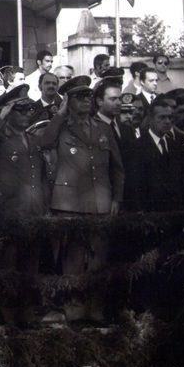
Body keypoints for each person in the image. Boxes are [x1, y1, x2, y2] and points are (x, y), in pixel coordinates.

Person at [39, 76, 124, 322]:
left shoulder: (103, 127)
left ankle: (95, 309)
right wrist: (60, 113)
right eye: (79, 97)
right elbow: (44, 142)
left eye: (88, 96)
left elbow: (117, 168)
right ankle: (74, 309)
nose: (86, 100)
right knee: (73, 260)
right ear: (68, 100)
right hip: (70, 204)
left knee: (99, 259)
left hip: (100, 202)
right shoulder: (61, 127)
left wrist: (116, 198)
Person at [0, 84, 46, 324]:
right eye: (21, 110)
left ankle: (27, 313)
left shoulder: (32, 138)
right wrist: (1, 116)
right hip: (8, 212)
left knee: (30, 266)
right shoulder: (0, 137)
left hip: (33, 211)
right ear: (10, 111)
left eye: (29, 109)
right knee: (8, 265)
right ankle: (8, 316)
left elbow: (39, 176)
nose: (27, 113)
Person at [124, 99, 184, 212]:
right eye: (162, 117)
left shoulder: (175, 145)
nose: (167, 121)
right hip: (150, 213)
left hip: (175, 212)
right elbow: (134, 185)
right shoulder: (137, 147)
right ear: (150, 119)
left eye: (170, 117)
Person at [93, 78, 136, 159]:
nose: (118, 103)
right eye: (113, 99)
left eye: (119, 99)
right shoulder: (91, 127)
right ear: (99, 101)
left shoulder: (126, 127)